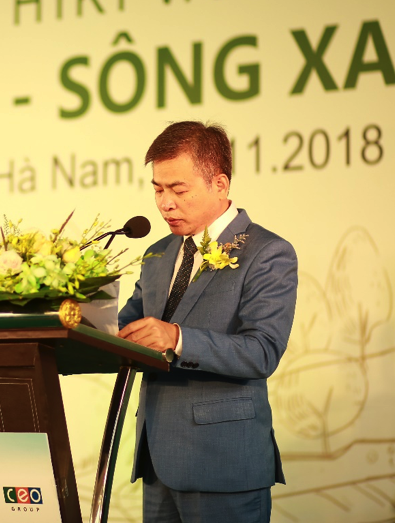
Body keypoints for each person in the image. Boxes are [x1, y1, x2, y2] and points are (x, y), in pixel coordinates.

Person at [117, 120, 297, 523]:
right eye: (158, 190)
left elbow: (262, 352)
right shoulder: (158, 253)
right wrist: (73, 315)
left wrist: (178, 338)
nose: (165, 204)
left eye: (178, 190)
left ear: (220, 184)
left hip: (223, 462)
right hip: (158, 461)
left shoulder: (267, 252)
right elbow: (125, 330)